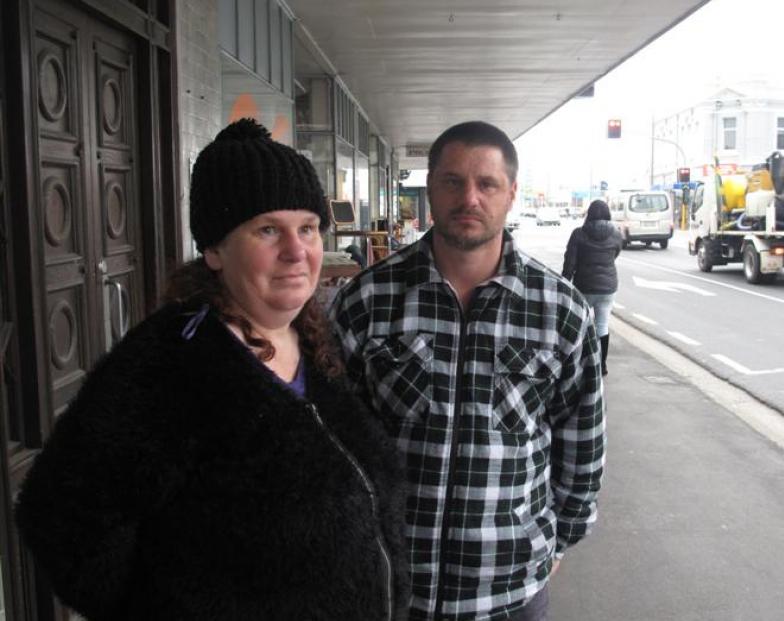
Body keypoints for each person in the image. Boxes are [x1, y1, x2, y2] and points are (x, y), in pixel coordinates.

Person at [15, 119, 408, 621]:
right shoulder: (170, 364)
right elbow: (60, 518)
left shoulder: (311, 340)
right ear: (215, 250)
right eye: (268, 229)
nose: (296, 251)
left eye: (307, 228)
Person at [330, 121, 605, 620]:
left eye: (487, 184)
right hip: (390, 588)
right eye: (453, 181)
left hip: (510, 593)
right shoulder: (368, 301)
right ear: (429, 186)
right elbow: (334, 443)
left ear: (511, 192)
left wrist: (556, 542)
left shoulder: (561, 311)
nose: (470, 198)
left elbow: (582, 444)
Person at [561, 199, 623, 376]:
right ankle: (601, 365)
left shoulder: (579, 234)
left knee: (581, 325)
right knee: (602, 325)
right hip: (608, 288)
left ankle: (582, 363)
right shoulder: (616, 234)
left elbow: (570, 262)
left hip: (584, 287)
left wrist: (565, 282)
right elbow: (616, 253)